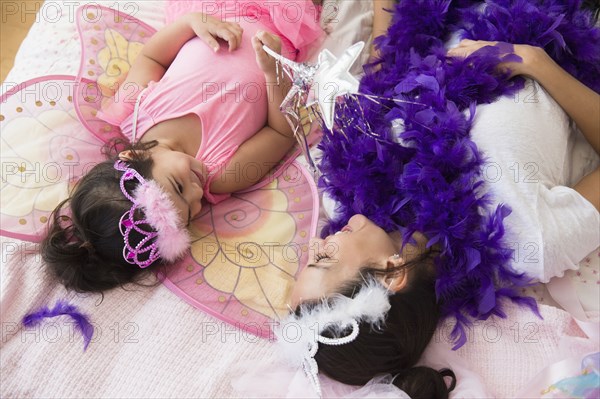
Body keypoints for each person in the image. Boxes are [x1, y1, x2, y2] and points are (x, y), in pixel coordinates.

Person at [283, 1, 600, 398]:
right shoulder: (528, 241)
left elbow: (383, 68)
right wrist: (535, 63)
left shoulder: (352, 189)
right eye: (323, 258)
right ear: (390, 275)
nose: (316, 240)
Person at [41, 1, 323, 293]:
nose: (197, 192)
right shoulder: (223, 173)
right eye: (191, 209)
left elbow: (153, 56)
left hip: (218, 11)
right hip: (281, 27)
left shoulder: (135, 110)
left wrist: (192, 23)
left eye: (178, 187)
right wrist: (274, 73)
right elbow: (281, 133)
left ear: (134, 156)